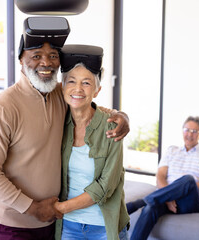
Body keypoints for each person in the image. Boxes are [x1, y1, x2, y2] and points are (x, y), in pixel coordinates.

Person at [0, 18, 129, 240]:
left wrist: (120, 115)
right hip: (15, 223)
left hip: (54, 222)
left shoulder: (59, 94)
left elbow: (85, 100)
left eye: (53, 56)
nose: (45, 63)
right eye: (36, 55)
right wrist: (32, 207)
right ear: (21, 59)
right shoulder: (2, 107)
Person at [53, 45, 129, 240]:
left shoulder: (112, 126)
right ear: (62, 87)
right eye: (71, 81)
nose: (78, 89)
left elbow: (106, 186)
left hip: (103, 225)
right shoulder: (57, 123)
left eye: (86, 83)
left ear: (97, 90)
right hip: (69, 226)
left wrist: (60, 208)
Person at [126, 116, 199, 240]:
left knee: (188, 180)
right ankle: (148, 203)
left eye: (194, 131)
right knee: (150, 208)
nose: (190, 134)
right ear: (182, 131)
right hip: (166, 199)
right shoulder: (171, 150)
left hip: (189, 202)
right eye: (187, 130)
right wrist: (169, 197)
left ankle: (140, 202)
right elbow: (160, 176)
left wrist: (171, 194)